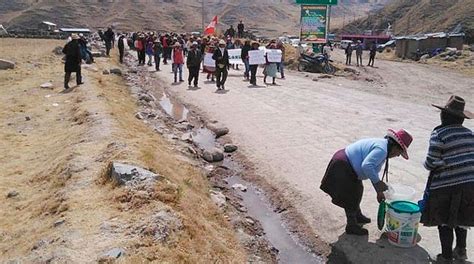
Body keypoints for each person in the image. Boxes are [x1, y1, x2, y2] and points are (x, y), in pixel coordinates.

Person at [320, 129, 413, 235]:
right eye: (399, 153)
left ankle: (357, 215)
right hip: (343, 165)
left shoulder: (383, 147)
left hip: (347, 164)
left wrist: (379, 191)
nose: (397, 156)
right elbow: (367, 166)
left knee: (358, 190)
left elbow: (372, 171)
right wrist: (378, 184)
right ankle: (351, 225)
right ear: (396, 147)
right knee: (350, 196)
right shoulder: (382, 150)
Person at [420, 95, 474, 263]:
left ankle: (446, 257)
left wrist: (443, 162)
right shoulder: (470, 134)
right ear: (461, 120)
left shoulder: (439, 133)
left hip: (446, 186)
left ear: (443, 116)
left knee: (444, 220)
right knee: (461, 218)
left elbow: (430, 162)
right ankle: (461, 251)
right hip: (470, 185)